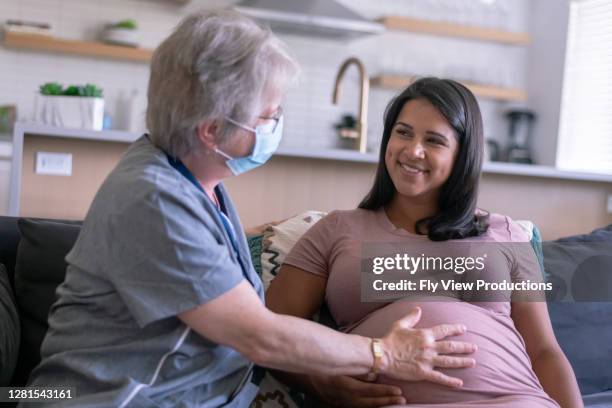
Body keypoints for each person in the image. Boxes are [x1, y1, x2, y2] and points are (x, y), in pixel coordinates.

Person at [23, 12, 478, 408]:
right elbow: (260, 335)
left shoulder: (193, 180)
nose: (275, 125)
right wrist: (383, 354)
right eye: (267, 116)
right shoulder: (155, 200)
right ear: (212, 130)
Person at [266, 77, 584, 408]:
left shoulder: (505, 234)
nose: (412, 150)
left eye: (433, 140)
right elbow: (271, 332)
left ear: (462, 156)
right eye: (403, 132)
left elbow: (544, 351)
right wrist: (324, 384)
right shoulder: (337, 230)